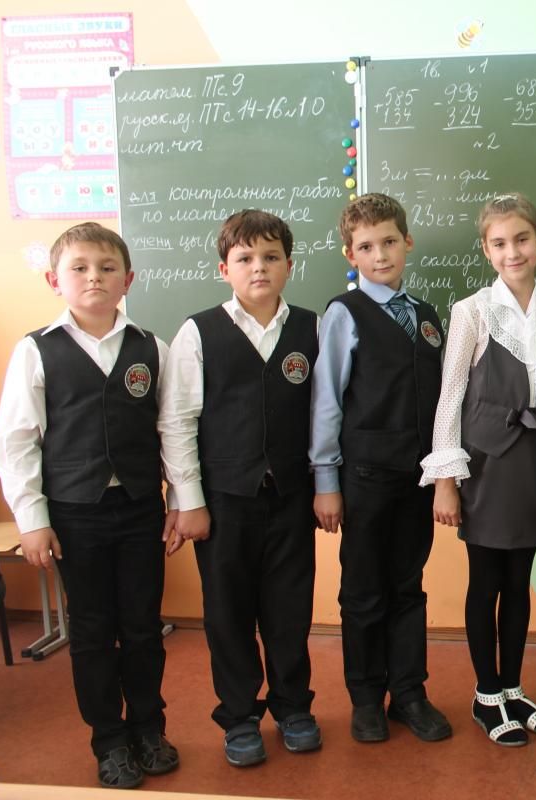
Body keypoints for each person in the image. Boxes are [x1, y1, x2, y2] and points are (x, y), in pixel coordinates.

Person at [0, 222, 178, 789]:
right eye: (79, 268)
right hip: (75, 513)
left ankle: (148, 728)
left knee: (143, 625)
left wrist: (180, 500)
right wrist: (32, 520)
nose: (94, 277)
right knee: (93, 629)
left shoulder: (151, 347)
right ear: (55, 280)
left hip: (140, 508)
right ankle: (109, 738)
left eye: (106, 267)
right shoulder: (36, 350)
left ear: (128, 279)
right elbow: (15, 442)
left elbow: (173, 431)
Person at [160, 210, 320, 766]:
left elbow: (325, 414)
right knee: (228, 614)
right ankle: (239, 716)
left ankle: (294, 707)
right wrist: (189, 501)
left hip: (291, 496)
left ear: (289, 266)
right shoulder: (198, 332)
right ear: (223, 268)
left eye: (271, 257)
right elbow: (178, 421)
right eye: (245, 258)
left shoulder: (311, 328)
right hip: (224, 501)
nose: (259, 267)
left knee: (290, 609)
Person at [310, 193, 452, 744]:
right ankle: (367, 698)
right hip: (365, 477)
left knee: (408, 587)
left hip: (416, 478)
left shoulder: (426, 316)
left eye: (389, 241)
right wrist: (326, 480)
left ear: (407, 242)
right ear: (351, 254)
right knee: (364, 591)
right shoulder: (344, 313)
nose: (380, 254)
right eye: (366, 247)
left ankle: (409, 693)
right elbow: (327, 400)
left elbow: (444, 400)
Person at [422, 193, 536, 746]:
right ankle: (486, 695)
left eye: (521, 239)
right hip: (483, 469)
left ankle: (512, 688)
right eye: (499, 243)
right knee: (486, 582)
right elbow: (450, 395)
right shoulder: (472, 311)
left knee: (519, 582)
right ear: (485, 249)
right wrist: (446, 480)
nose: (512, 252)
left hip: (532, 468)